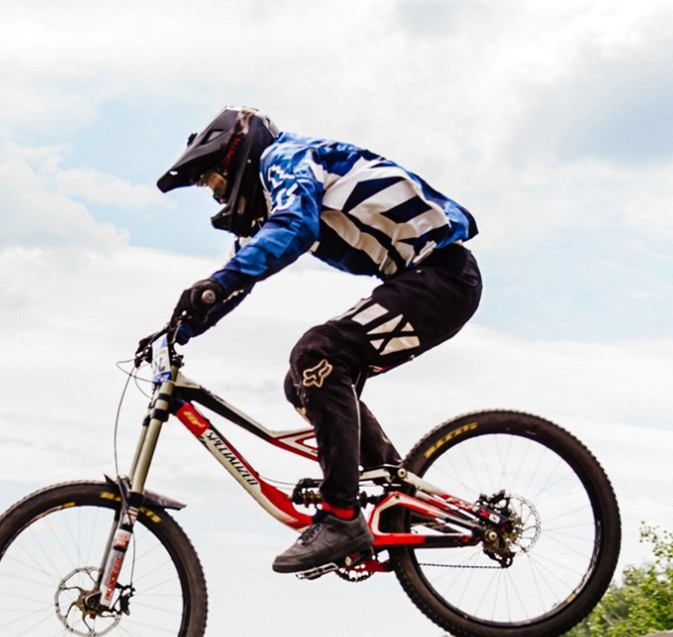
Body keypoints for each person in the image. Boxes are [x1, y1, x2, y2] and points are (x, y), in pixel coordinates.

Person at [152, 107, 482, 574]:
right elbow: (241, 272)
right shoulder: (278, 193)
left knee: (317, 354)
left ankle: (342, 515)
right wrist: (180, 327)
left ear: (237, 154)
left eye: (214, 181)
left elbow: (294, 227)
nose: (218, 195)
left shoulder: (286, 159)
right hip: (423, 281)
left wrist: (216, 285)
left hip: (443, 276)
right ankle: (398, 490)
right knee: (304, 380)